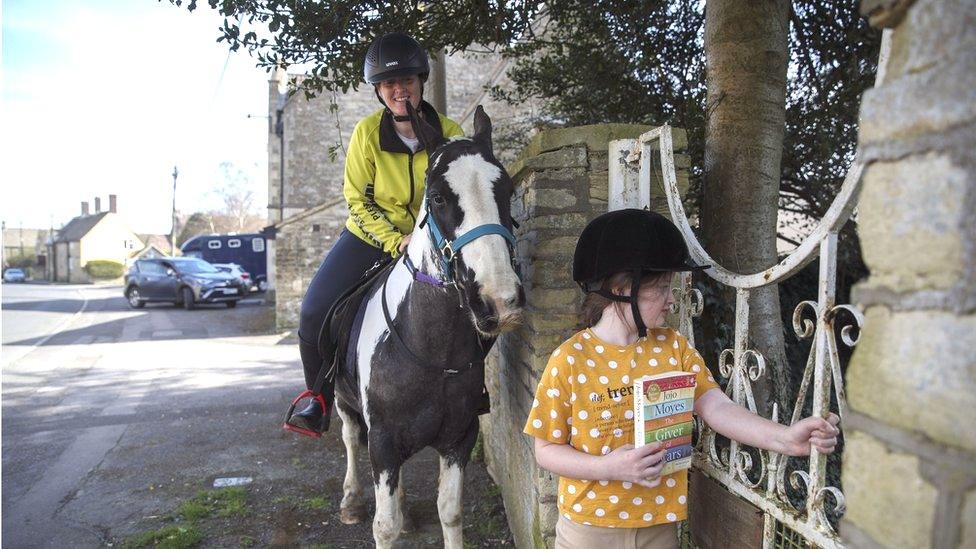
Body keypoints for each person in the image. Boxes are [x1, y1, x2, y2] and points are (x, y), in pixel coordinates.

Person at [523, 209, 840, 548]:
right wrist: (609, 467)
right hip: (588, 530)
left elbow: (718, 408)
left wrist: (787, 439)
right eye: (661, 288)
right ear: (621, 289)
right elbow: (546, 450)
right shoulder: (570, 359)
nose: (672, 300)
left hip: (660, 528)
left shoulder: (673, 348)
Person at [285, 32, 464, 436]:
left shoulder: (451, 132)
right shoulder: (367, 134)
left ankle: (472, 389)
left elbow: (458, 194)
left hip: (432, 239)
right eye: (389, 84)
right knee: (313, 309)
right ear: (379, 91)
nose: (399, 91)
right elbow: (357, 201)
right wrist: (393, 240)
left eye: (407, 82)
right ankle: (317, 398)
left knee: (477, 295)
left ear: (421, 83)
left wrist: (424, 237)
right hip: (370, 236)